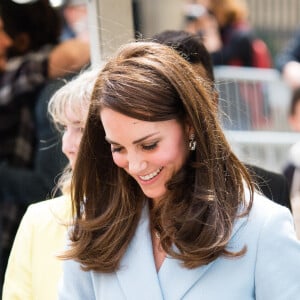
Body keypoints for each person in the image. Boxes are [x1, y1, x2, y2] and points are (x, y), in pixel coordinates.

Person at [58, 41, 300, 299]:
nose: (136, 164)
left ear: (190, 126)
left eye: (149, 145)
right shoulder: (94, 221)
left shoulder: (262, 226)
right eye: (118, 148)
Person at [0, 0, 90, 285]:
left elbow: (48, 183)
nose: (5, 39)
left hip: (14, 229)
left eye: (5, 29)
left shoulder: (33, 83)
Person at [152, 29, 290, 210]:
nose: (184, 113)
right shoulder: (122, 193)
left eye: (195, 99)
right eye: (169, 99)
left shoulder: (269, 191)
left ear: (213, 103)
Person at [2, 68, 98, 300]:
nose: (66, 145)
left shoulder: (151, 215)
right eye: (65, 128)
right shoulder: (39, 220)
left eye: (81, 128)